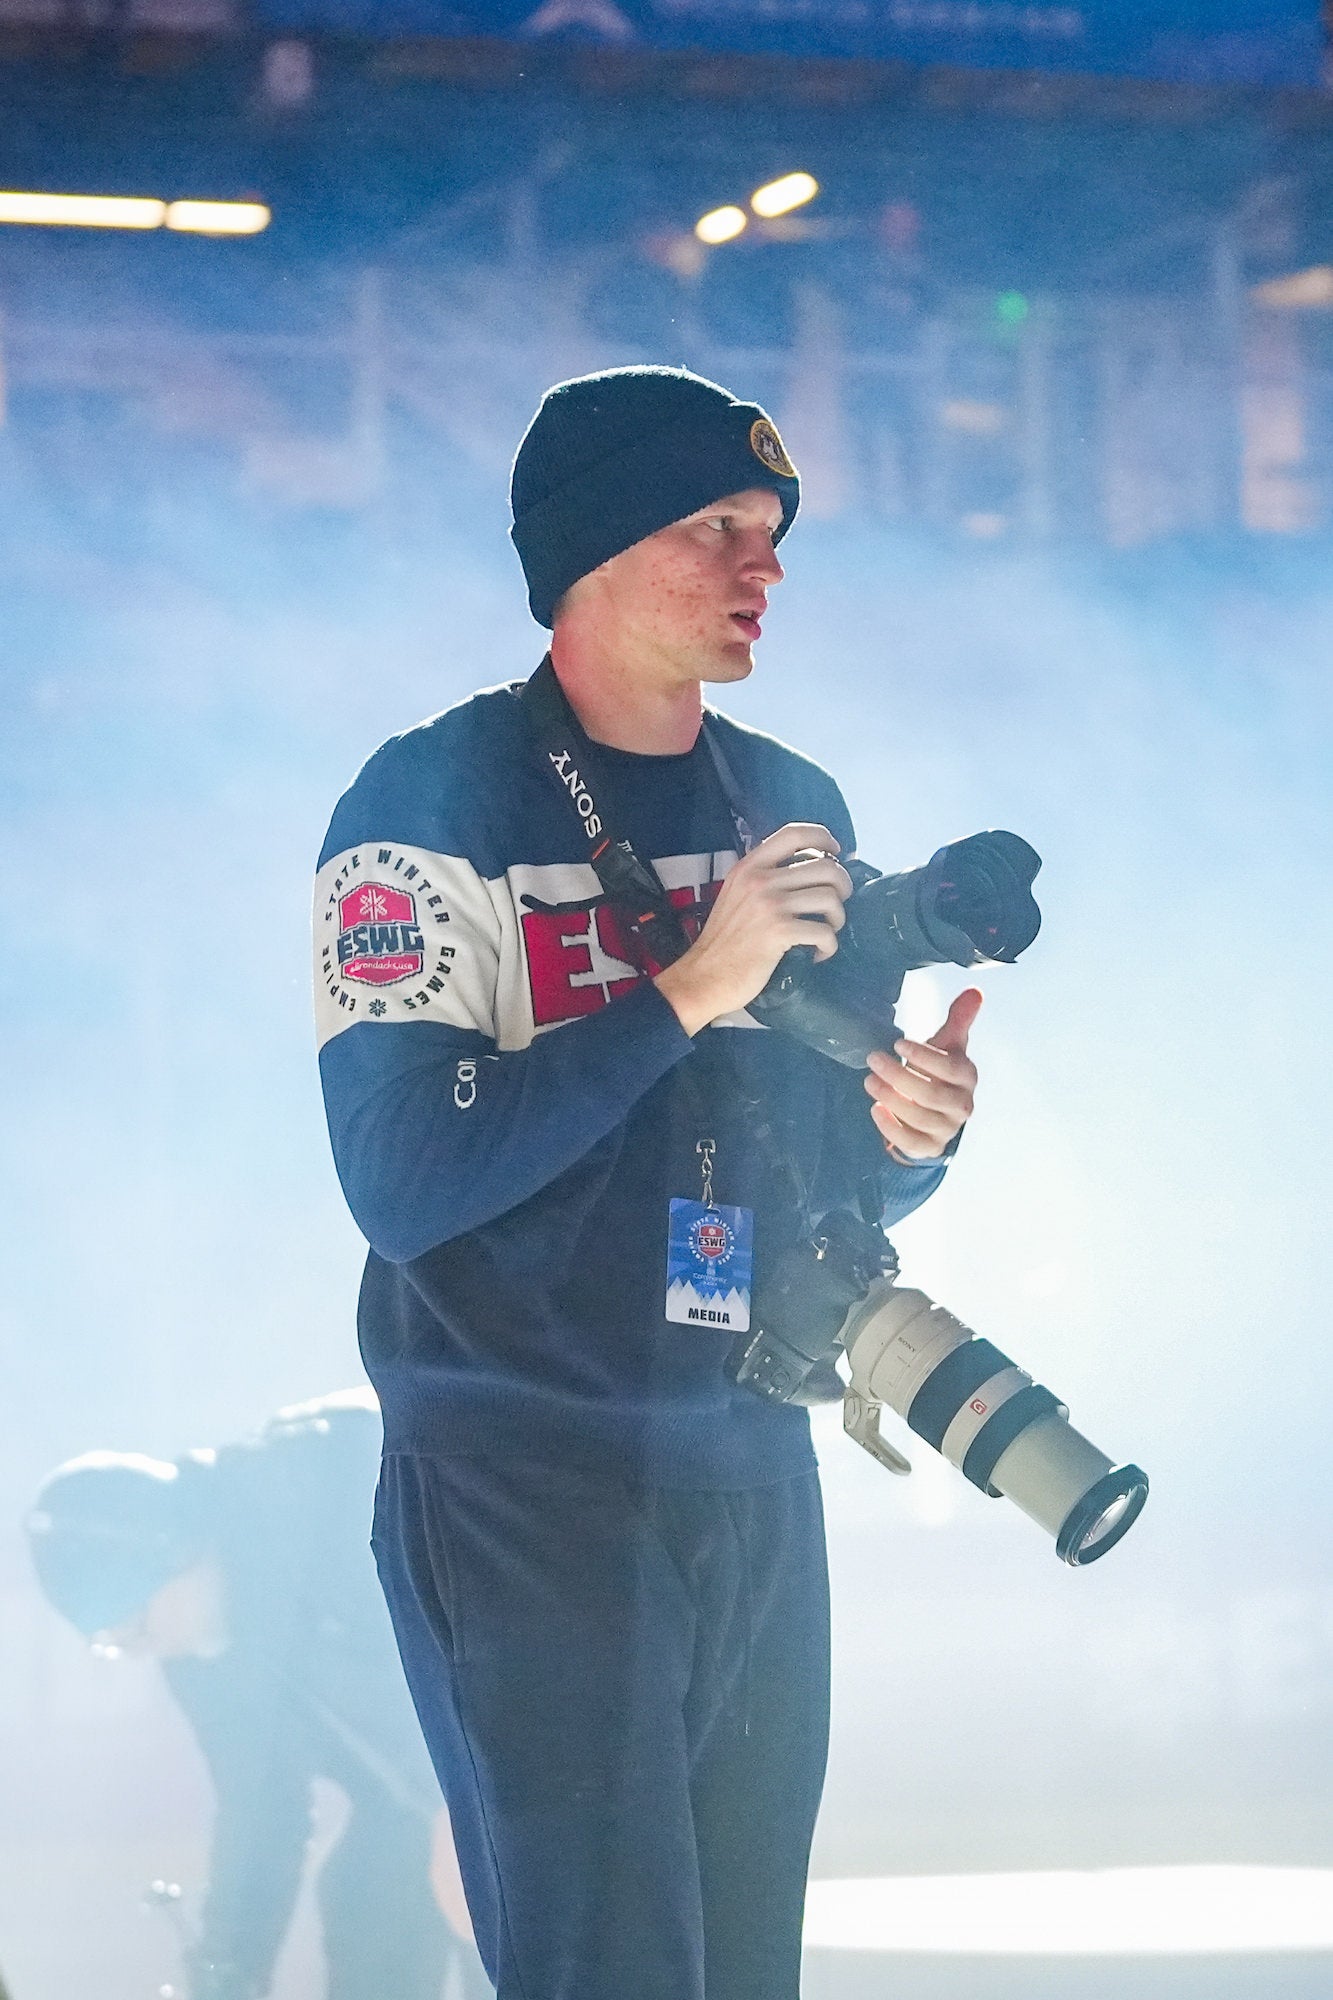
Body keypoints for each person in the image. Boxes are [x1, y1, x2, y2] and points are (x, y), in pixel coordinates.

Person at [313, 365, 981, 2000]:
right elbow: (402, 1179)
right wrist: (687, 981)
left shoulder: (792, 802)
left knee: (743, 1975)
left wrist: (912, 1136)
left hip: (746, 1451)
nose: (762, 566)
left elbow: (819, 1190)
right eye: (715, 529)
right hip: (520, 1469)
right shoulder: (430, 799)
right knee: (613, 1970)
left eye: (771, 532)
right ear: (590, 553)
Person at [26, 1389, 491, 2000]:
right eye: (118, 1644)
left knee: (511, 1907)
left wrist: (461, 1804)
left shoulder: (328, 1484)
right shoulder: (202, 1656)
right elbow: (260, 1814)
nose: (142, 1651)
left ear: (172, 1551)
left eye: (133, 1626)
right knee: (366, 1891)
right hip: (422, 1800)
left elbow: (473, 1632)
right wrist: (223, 1978)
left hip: (528, 1734)